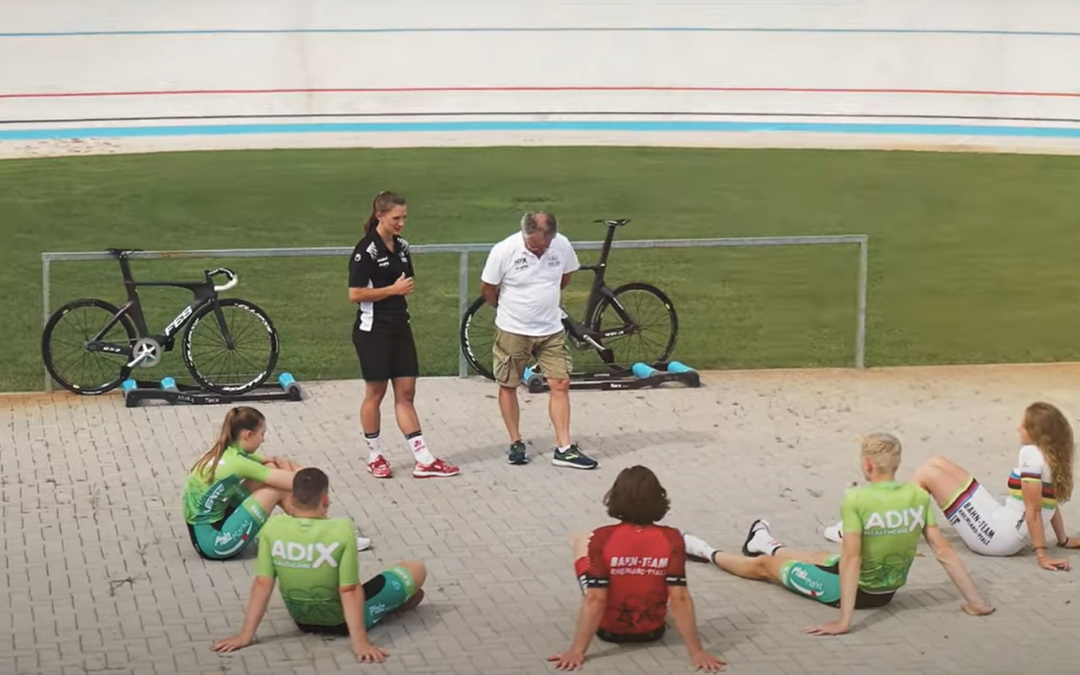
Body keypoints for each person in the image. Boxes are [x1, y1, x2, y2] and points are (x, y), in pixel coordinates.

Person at [683, 433, 995, 636]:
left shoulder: (857, 500)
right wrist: (976, 601)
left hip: (856, 594)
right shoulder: (916, 496)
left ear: (867, 464)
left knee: (766, 568)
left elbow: (852, 560)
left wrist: (843, 622)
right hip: (887, 591)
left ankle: (704, 551)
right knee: (819, 557)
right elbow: (944, 552)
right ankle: (764, 542)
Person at [822, 402, 1079, 570]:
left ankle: (870, 522)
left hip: (998, 538)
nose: (1018, 428)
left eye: (1024, 425)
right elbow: (1050, 502)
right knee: (937, 463)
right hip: (1000, 519)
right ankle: (881, 514)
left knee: (926, 475)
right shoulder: (1053, 455)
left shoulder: (1030, 454)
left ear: (1036, 432)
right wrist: (1063, 539)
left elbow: (1034, 510)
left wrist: (1042, 554)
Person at [210, 467, 427, 663]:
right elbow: (349, 589)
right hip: (340, 622)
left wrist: (245, 635)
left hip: (302, 621)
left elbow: (262, 583)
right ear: (325, 500)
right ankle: (390, 607)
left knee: (405, 592)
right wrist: (360, 642)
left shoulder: (272, 528)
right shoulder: (342, 530)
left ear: (292, 498)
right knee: (416, 569)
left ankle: (394, 605)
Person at [548, 466, 726, 672]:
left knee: (581, 545)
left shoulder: (602, 537)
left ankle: (578, 541)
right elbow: (680, 598)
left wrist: (577, 651)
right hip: (652, 631)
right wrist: (697, 652)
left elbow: (596, 599)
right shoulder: (672, 538)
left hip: (608, 631)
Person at [348, 190, 459, 479]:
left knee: (406, 392)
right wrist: (391, 291)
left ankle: (423, 458)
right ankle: (375, 455)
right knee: (376, 393)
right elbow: (355, 293)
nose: (401, 224)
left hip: (400, 326)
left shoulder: (403, 246)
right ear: (380, 216)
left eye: (404, 218)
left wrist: (400, 290)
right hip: (373, 330)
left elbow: (407, 279)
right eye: (396, 218)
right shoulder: (366, 251)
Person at [479, 211, 598, 470]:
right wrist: (503, 307)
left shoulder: (562, 246)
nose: (537, 249)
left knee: (560, 382)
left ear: (552, 236)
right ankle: (515, 441)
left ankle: (564, 447)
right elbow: (487, 288)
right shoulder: (504, 250)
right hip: (513, 330)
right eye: (532, 244)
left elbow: (565, 277)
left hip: (551, 329)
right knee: (508, 384)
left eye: (542, 245)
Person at [183, 407, 371, 560]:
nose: (264, 439)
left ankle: (316, 529)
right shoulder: (237, 463)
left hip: (209, 528)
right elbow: (298, 483)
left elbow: (270, 462)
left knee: (272, 470)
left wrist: (286, 465)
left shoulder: (229, 449)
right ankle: (329, 535)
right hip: (214, 543)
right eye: (262, 434)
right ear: (248, 434)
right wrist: (303, 472)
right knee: (275, 488)